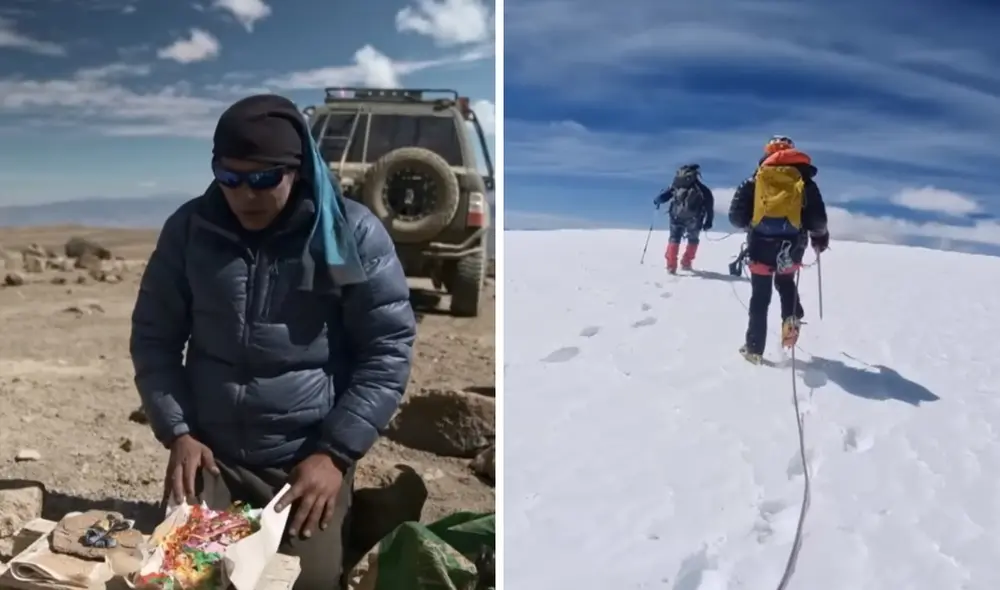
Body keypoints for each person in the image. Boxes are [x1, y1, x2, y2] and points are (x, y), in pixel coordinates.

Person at [129, 94, 417, 589]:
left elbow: (387, 349)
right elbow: (154, 338)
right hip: (214, 457)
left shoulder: (351, 233)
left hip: (305, 461)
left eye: (263, 178)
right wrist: (178, 432)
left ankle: (352, 510)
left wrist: (335, 456)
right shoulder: (190, 229)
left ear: (296, 168)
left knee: (307, 582)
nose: (245, 194)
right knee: (180, 578)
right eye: (230, 177)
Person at [727, 135, 829, 363]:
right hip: (792, 248)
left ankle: (754, 349)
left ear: (767, 152)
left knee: (760, 298)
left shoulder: (754, 180)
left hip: (759, 247)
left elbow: (735, 217)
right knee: (785, 284)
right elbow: (818, 220)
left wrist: (752, 224)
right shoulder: (805, 183)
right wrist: (819, 237)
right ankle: (791, 320)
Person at [653, 163, 715, 274]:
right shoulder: (703, 190)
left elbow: (662, 197)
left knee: (674, 238)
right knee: (693, 240)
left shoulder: (676, 186)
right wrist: (708, 221)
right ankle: (686, 262)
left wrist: (657, 201)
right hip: (695, 219)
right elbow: (709, 206)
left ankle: (671, 266)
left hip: (676, 217)